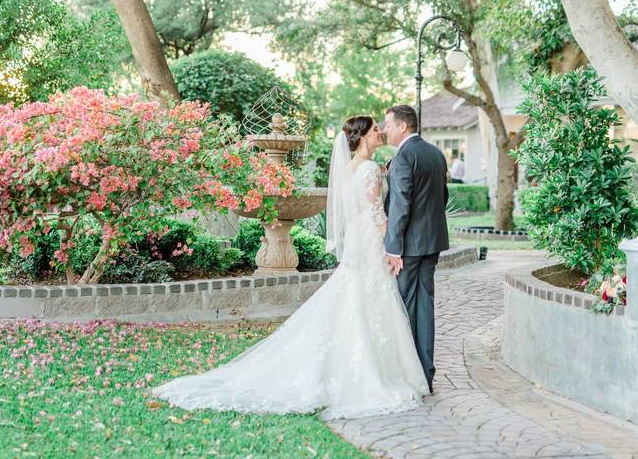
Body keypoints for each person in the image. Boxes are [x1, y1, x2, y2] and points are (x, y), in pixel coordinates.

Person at [151, 115, 428, 419]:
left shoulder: (350, 169)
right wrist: (391, 247)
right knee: (369, 298)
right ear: (362, 138)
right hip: (371, 240)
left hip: (357, 241)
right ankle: (371, 372)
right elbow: (377, 213)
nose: (381, 134)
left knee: (356, 296)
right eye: (376, 130)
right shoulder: (371, 169)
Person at [381, 105, 450, 394]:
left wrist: (393, 247)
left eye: (388, 125)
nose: (385, 130)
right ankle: (426, 373)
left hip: (408, 247)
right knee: (425, 306)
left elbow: (400, 206)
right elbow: (442, 198)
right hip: (432, 243)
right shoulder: (435, 153)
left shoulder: (404, 157)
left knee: (405, 309)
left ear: (403, 127)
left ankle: (409, 377)